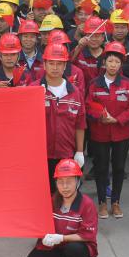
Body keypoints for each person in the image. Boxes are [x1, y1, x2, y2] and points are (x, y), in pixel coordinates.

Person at [25, 159, 97, 257]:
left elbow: (87, 235)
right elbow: (40, 222)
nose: (65, 187)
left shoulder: (87, 204)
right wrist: (44, 236)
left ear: (78, 182)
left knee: (73, 249)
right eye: (60, 182)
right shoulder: (52, 201)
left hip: (79, 246)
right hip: (57, 246)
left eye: (69, 182)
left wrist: (62, 238)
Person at [87, 41, 129, 218]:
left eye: (117, 61)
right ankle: (102, 202)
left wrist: (117, 119)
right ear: (104, 63)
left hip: (122, 133)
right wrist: (99, 116)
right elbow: (88, 106)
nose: (113, 65)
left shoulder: (128, 84)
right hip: (99, 133)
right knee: (101, 168)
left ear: (121, 64)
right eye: (110, 61)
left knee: (119, 168)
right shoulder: (94, 84)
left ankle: (115, 202)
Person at [41, 42, 86, 180]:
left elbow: (80, 124)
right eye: (51, 63)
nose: (55, 67)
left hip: (66, 154)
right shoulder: (34, 90)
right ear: (44, 65)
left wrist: (79, 151)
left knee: (66, 190)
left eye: (59, 63)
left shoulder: (75, 93)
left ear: (65, 66)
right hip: (40, 155)